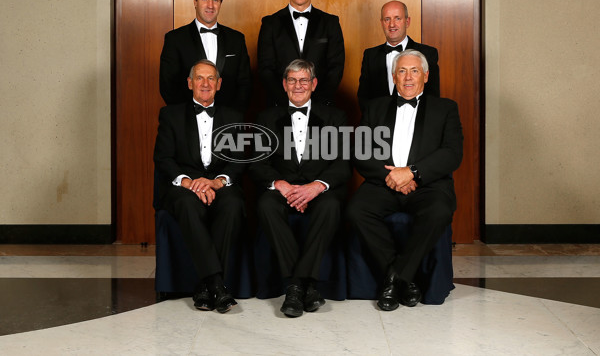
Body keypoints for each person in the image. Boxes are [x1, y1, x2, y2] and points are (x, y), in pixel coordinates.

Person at [347, 49, 462, 311]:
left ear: (426, 75)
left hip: (427, 186)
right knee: (356, 210)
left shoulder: (445, 108)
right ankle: (406, 280)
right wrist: (392, 176)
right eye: (402, 71)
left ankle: (394, 278)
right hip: (383, 183)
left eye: (414, 71)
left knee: (439, 211)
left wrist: (413, 173)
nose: (408, 77)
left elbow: (452, 154)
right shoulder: (374, 107)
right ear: (393, 76)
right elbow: (361, 152)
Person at [250, 59, 351, 317]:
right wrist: (280, 184)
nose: (298, 86)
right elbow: (258, 163)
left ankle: (294, 286)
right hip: (282, 191)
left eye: (304, 80)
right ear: (284, 85)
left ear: (314, 84)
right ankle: (306, 286)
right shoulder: (266, 117)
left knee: (331, 206)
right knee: (265, 204)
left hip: (319, 191)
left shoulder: (335, 117)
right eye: (292, 80)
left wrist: (316, 187)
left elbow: (343, 164)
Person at [154, 60, 246, 313]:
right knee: (186, 204)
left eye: (210, 79)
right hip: (184, 186)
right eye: (199, 78)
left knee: (233, 204)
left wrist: (217, 182)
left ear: (219, 84)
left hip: (220, 183)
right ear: (189, 83)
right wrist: (189, 182)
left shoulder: (234, 116)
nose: (205, 84)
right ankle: (217, 284)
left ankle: (205, 289)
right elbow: (163, 158)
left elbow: (238, 161)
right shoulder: (170, 114)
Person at [258, 0, 345, 107]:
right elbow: (266, 69)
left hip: (321, 106)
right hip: (280, 106)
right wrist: (287, 102)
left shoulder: (330, 23)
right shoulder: (270, 24)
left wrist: (316, 103)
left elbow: (336, 67)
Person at [159, 0, 251, 111]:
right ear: (195, 2)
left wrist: (232, 116)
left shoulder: (236, 39)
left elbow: (245, 84)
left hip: (228, 120)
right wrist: (187, 117)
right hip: (187, 121)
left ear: (220, 4)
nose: (210, 5)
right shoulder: (175, 39)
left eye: (216, 0)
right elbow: (168, 85)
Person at [357, 1, 440, 112]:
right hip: (380, 124)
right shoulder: (370, 55)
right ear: (381, 23)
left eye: (397, 18)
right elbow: (364, 97)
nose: (392, 25)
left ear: (407, 22)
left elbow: (432, 96)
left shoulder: (428, 53)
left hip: (417, 123)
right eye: (387, 19)